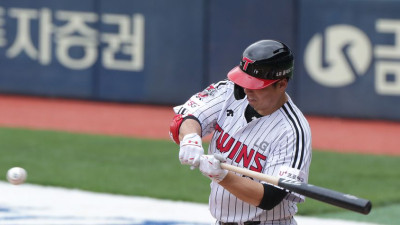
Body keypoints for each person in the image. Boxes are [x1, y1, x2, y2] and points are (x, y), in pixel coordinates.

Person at [169, 40, 312, 225]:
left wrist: (222, 176)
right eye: (245, 81)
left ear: (282, 84)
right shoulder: (230, 91)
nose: (247, 90)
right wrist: (190, 138)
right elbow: (188, 117)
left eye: (257, 86)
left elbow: (270, 197)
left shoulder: (293, 131)